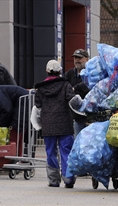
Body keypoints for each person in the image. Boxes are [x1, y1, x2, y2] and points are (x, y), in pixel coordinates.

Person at [34, 59, 76, 188]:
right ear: (60, 71)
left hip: (48, 124)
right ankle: (68, 178)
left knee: (50, 151)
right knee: (66, 151)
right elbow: (72, 101)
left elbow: (38, 106)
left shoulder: (40, 88)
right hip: (65, 123)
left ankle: (53, 180)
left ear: (47, 71)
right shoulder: (66, 85)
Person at [64, 49, 90, 137]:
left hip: (90, 115)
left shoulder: (91, 71)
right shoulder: (71, 73)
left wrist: (75, 88)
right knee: (77, 140)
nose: (77, 60)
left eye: (79, 58)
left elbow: (89, 84)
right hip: (76, 115)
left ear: (86, 59)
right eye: (75, 57)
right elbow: (62, 82)